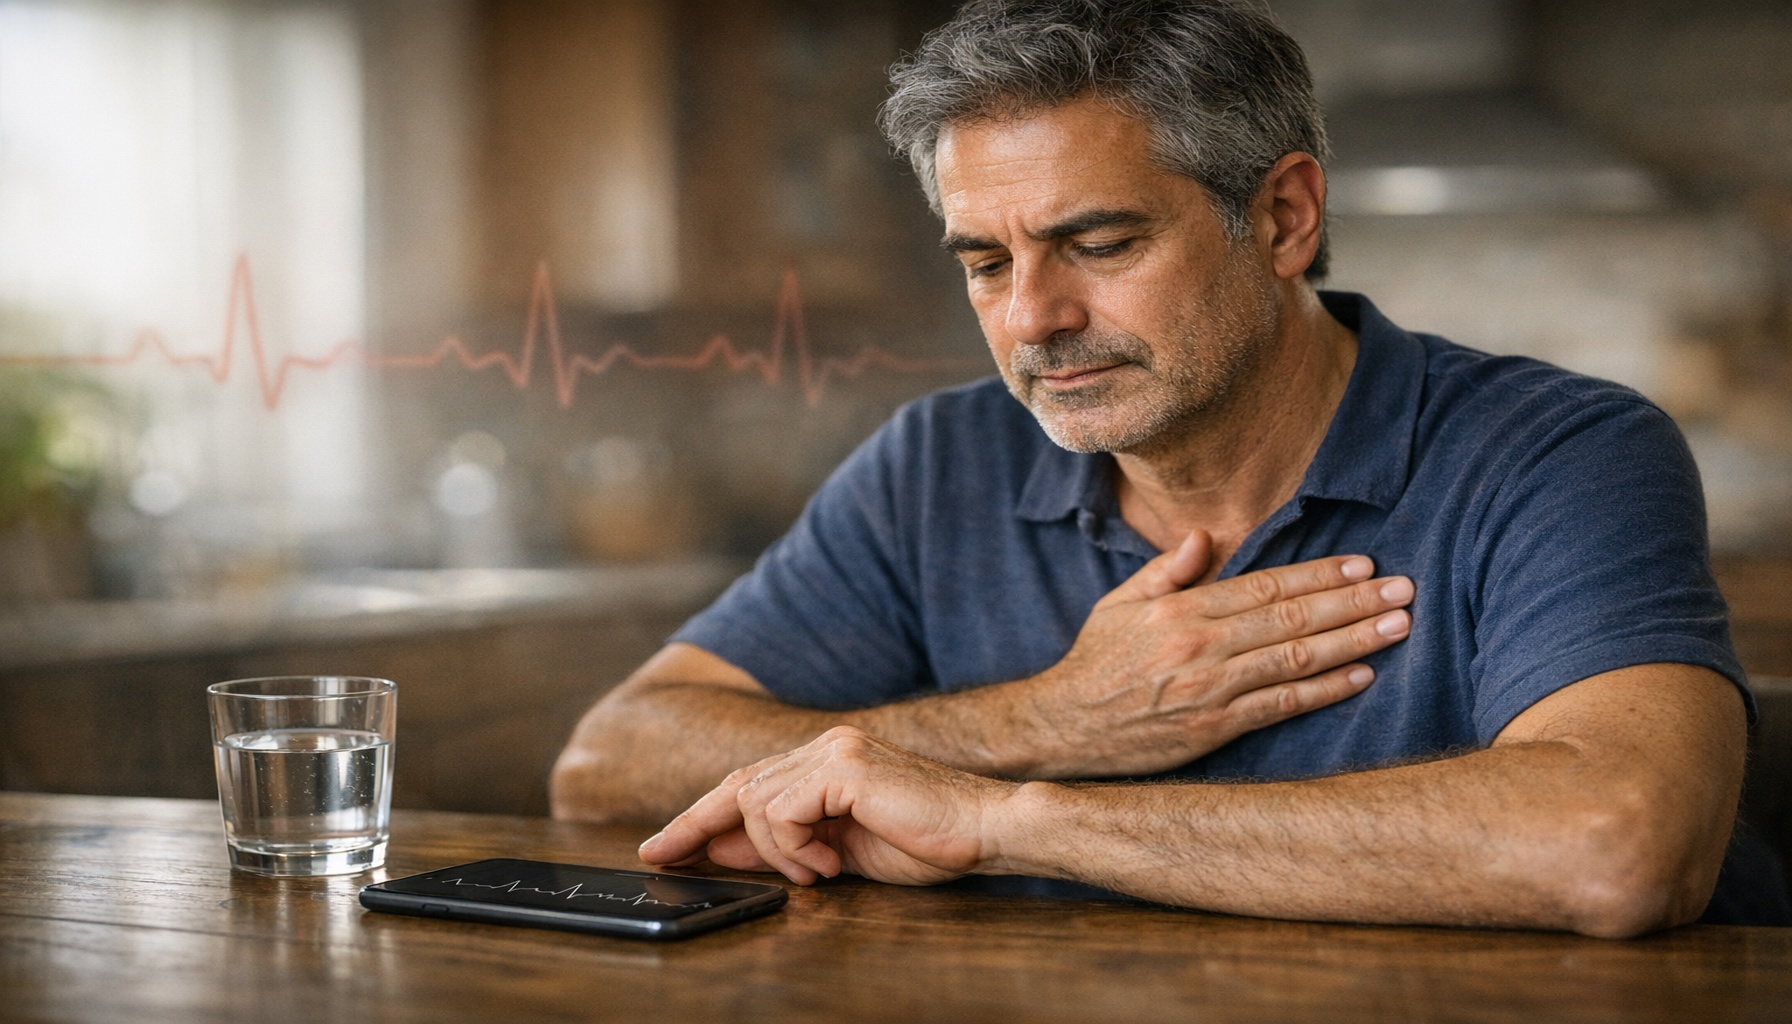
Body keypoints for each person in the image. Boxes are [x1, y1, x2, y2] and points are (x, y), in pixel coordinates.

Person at [550, 0, 1782, 936]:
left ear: (1285, 218)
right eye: (985, 262)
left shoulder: (1557, 451)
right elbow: (611, 759)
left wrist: (1005, 812)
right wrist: (1051, 719)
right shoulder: (938, 460)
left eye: (1096, 241)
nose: (1032, 318)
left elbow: (1617, 844)